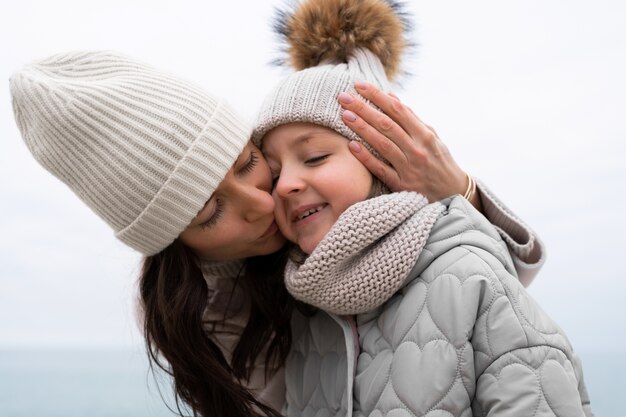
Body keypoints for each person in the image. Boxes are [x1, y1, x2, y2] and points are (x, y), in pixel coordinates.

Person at [11, 47, 545, 417]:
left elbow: (488, 294)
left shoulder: (327, 230)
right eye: (209, 213)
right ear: (179, 245)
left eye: (247, 164)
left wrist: (460, 193)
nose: (265, 199)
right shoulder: (206, 321)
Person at [252, 0, 592, 416]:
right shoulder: (302, 309)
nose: (286, 184)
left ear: (385, 158)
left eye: (315, 157)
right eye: (272, 173)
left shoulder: (468, 277)